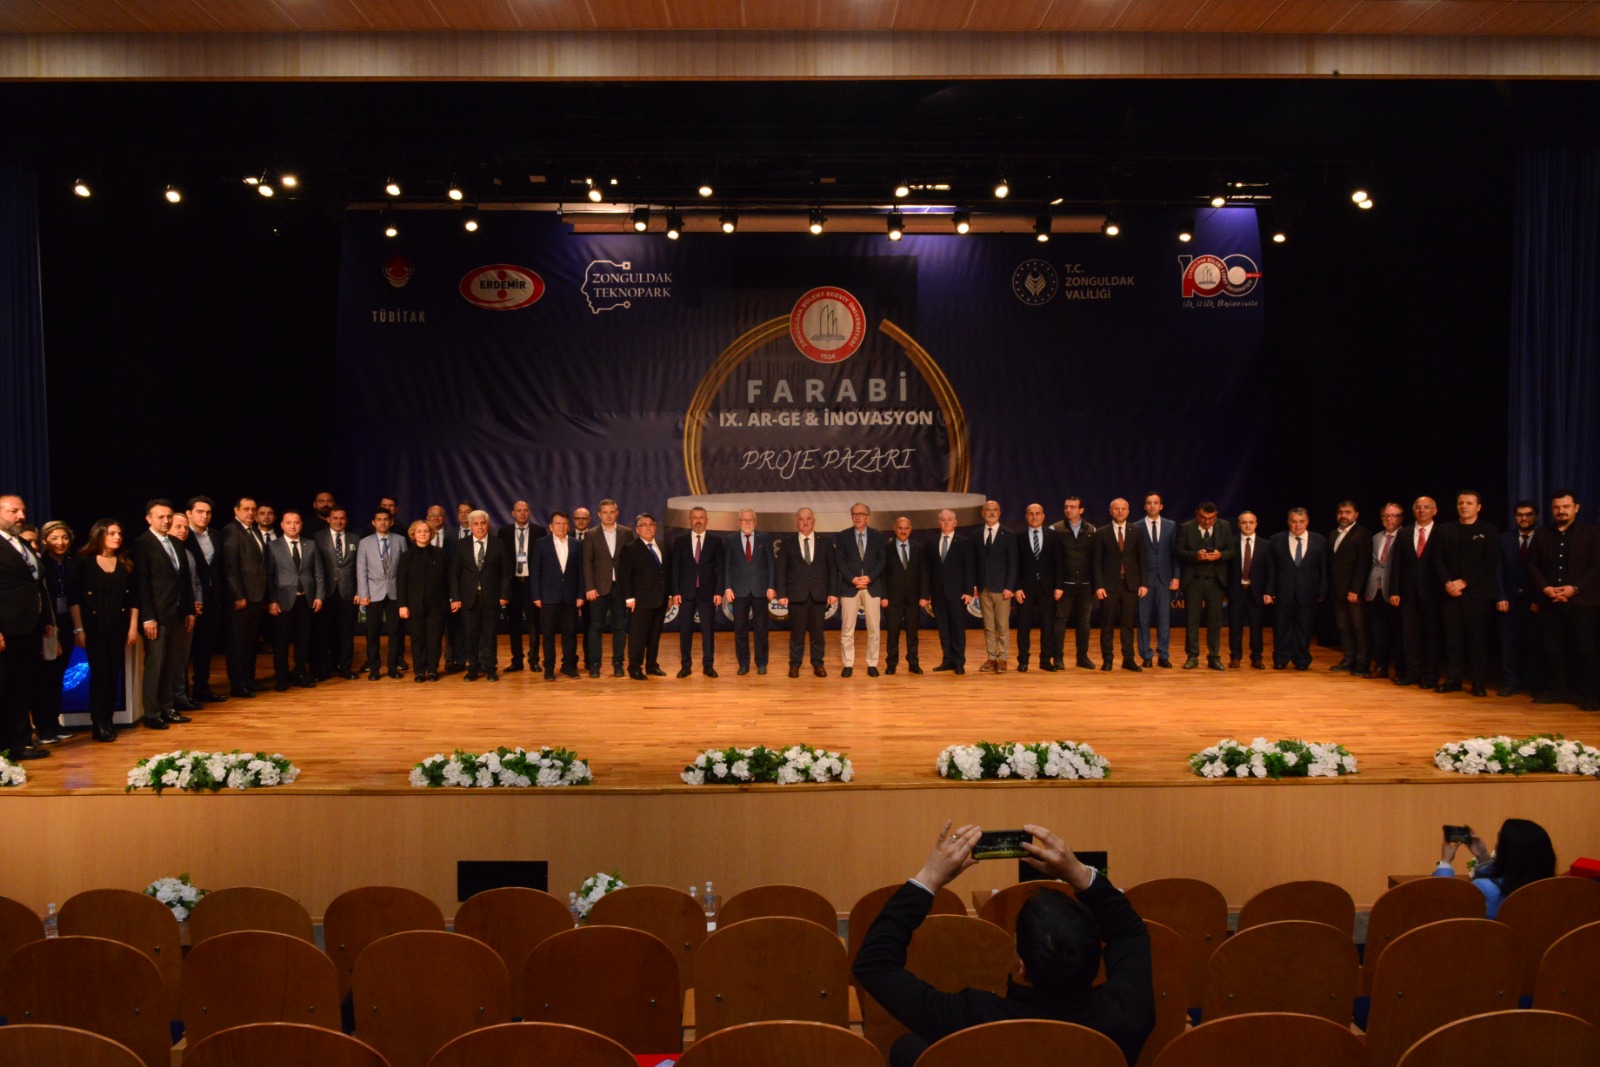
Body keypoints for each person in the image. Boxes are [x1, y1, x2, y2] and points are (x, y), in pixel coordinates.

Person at [853, 821, 1155, 1067]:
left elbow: (874, 964)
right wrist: (1078, 872)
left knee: (908, 1048)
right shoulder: (1128, 1015)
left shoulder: (974, 1019)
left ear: (1022, 966)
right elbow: (1129, 933)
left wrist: (929, 877)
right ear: (1096, 957)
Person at [1527, 489, 1600, 711]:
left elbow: (1596, 566)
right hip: (1550, 602)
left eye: (1566, 507)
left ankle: (1590, 695)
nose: (1561, 511)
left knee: (1585, 650)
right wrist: (1545, 588)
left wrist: (1574, 589)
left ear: (1576, 508)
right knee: (1552, 649)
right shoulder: (1542, 533)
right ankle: (1556, 691)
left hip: (1582, 602)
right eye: (1557, 507)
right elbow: (1532, 564)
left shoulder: (1592, 533)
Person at [69, 519, 138, 742]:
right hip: (94, 627)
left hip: (118, 627)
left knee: (113, 674)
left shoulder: (125, 563)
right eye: (111, 533)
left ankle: (109, 719)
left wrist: (132, 627)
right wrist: (79, 628)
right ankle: (98, 722)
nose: (117, 537)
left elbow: (134, 599)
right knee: (100, 674)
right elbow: (74, 599)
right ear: (99, 535)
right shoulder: (83, 563)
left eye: (119, 533)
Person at [130, 499, 196, 729]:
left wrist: (189, 610)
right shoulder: (141, 544)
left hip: (177, 613)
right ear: (148, 519)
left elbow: (184, 581)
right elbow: (142, 585)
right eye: (160, 517)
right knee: (155, 665)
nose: (166, 521)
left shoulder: (176, 543)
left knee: (170, 664)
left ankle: (167, 708)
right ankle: (152, 713)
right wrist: (148, 617)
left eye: (169, 516)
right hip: (156, 616)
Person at [1433, 491, 1506, 696]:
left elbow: (1490, 561)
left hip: (1478, 594)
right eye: (1461, 503)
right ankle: (1453, 679)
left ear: (1478, 507)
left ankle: (1477, 681)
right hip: (1451, 594)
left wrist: (1464, 582)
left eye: (1469, 503)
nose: (1464, 506)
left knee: (1478, 641)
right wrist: (1448, 583)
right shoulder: (1445, 529)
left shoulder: (1489, 530)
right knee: (1452, 640)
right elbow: (1438, 559)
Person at [1, 496, 56, 761]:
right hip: (7, 628)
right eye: (14, 511)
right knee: (4, 686)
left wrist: (45, 619)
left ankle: (20, 742)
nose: (21, 515)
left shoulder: (21, 543)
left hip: (29, 627)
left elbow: (35, 584)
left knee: (21, 686)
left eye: (23, 510)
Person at [1435, 818, 1556, 919]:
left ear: (1507, 851)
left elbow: (1446, 907)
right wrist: (1483, 857)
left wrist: (1445, 862)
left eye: (1499, 840)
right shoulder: (1551, 890)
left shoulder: (1484, 888)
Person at [264, 509, 326, 691]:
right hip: (282, 600)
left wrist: (319, 596)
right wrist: (272, 600)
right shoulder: (273, 546)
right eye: (289, 523)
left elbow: (318, 572)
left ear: (301, 525)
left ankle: (300, 673)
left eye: (296, 522)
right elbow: (269, 576)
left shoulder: (310, 544)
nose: (293, 526)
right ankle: (282, 677)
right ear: (282, 525)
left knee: (303, 640)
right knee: (281, 641)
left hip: (305, 599)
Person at [1263, 507, 1327, 671]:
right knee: (1281, 627)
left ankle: (1302, 659)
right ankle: (1281, 658)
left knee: (1304, 628)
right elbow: (1272, 569)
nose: (1297, 525)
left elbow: (1323, 569)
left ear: (1307, 522)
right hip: (1283, 591)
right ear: (1288, 522)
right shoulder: (1276, 540)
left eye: (1301, 521)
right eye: (1294, 521)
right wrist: (1269, 591)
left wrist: (1322, 591)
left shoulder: (1319, 540)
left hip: (1308, 593)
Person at [1388, 496, 1443, 689]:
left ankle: (1430, 676)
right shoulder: (1404, 533)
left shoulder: (1442, 532)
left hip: (1433, 595)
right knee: (1410, 636)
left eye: (1427, 507)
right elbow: (1396, 564)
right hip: (1408, 594)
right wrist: (1394, 590)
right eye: (1418, 507)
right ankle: (1412, 673)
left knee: (1431, 637)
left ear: (1435, 511)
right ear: (1413, 511)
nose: (1422, 510)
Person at [449, 509, 510, 682]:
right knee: (471, 635)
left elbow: (506, 573)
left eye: (483, 523)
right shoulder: (461, 545)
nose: (480, 527)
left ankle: (490, 669)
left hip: (492, 597)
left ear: (487, 524)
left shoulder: (499, 544)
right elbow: (454, 574)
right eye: (476, 524)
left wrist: (504, 594)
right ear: (470, 526)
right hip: (469, 598)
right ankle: (473, 669)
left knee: (490, 636)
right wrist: (456, 597)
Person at [776, 507, 837, 678]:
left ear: (814, 521)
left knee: (818, 634)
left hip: (819, 594)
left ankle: (818, 664)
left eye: (808, 518)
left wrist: (833, 592)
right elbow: (781, 570)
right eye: (801, 519)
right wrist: (781, 594)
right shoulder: (788, 542)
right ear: (796, 521)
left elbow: (832, 569)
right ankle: (795, 665)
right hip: (796, 595)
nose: (805, 522)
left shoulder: (825, 542)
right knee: (797, 634)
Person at [31, 520, 76, 743]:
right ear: (45, 541)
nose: (60, 542)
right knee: (44, 677)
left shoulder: (71, 564)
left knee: (58, 675)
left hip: (67, 623)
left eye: (64, 538)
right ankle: (43, 726)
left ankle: (54, 721)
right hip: (48, 625)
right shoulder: (41, 564)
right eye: (55, 538)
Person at [220, 496, 269, 698]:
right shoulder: (231, 531)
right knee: (237, 644)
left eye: (253, 509)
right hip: (241, 599)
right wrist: (238, 595)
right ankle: (237, 684)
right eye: (246, 509)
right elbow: (230, 568)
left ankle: (249, 680)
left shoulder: (254, 530)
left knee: (250, 643)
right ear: (236, 510)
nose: (250, 513)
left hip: (256, 597)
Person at [1176, 502, 1234, 671]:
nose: (1207, 522)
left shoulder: (1224, 526)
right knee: (1192, 620)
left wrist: (1220, 555)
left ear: (1216, 516)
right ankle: (1192, 656)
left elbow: (1232, 551)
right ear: (1197, 514)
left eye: (1211, 518)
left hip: (1215, 581)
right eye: (1203, 518)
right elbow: (1178, 551)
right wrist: (1196, 555)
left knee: (1215, 621)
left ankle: (1214, 656)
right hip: (1194, 581)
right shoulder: (1186, 527)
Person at [1092, 498, 1146, 672]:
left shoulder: (1136, 531)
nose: (1120, 512)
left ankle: (1128, 659)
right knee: (1107, 624)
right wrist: (1099, 586)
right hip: (1109, 586)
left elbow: (1142, 559)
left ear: (1128, 511)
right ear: (1111, 511)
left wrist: (1143, 583)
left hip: (1130, 585)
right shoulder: (1102, 532)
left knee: (1128, 625)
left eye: (1123, 509)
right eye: (1116, 509)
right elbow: (1096, 562)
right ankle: (1107, 659)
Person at [583, 499, 635, 678]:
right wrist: (590, 587)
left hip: (620, 588)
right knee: (595, 627)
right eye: (605, 512)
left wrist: (630, 589)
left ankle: (618, 664)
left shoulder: (626, 533)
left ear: (617, 513)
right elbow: (587, 562)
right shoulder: (591, 534)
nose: (609, 515)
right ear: (599, 514)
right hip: (598, 589)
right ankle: (594, 665)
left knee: (620, 628)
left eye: (612, 512)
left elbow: (630, 562)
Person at [182, 496, 227, 701]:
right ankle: (182, 692)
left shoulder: (216, 535)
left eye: (208, 512)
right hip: (190, 599)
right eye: (200, 512)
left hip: (213, 598)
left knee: (206, 647)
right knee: (185, 649)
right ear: (188, 513)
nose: (204, 516)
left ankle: (202, 687)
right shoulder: (182, 534)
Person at [532, 510, 585, 680]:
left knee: (570, 634)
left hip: (570, 597)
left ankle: (568, 666)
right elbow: (535, 571)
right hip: (548, 597)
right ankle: (549, 668)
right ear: (551, 526)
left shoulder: (576, 544)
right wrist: (536, 595)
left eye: (564, 523)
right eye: (558, 523)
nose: (561, 527)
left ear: (568, 526)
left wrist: (580, 595)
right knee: (548, 634)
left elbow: (581, 572)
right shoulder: (541, 544)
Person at [671, 505, 723, 678]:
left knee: (708, 631)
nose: (698, 521)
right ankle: (685, 666)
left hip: (708, 592)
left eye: (701, 517)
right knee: (685, 630)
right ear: (689, 520)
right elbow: (675, 568)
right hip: (686, 593)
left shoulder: (716, 540)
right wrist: (676, 591)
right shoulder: (680, 541)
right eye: (695, 518)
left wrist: (719, 592)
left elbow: (720, 568)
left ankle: (708, 665)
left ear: (707, 520)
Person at [721, 507, 774, 676]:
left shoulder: (764, 538)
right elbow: (727, 566)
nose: (747, 523)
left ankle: (761, 663)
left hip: (760, 591)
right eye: (744, 520)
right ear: (739, 522)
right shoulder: (731, 540)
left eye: (750, 520)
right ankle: (743, 664)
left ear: (755, 522)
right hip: (739, 592)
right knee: (740, 630)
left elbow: (771, 564)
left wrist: (771, 586)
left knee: (761, 630)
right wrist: (727, 587)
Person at [1498, 501, 1543, 697]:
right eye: (1519, 515)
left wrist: (1539, 600)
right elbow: (1497, 570)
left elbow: (1547, 571)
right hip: (1509, 600)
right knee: (1509, 644)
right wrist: (1501, 596)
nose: (1523, 518)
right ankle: (1511, 683)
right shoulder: (1503, 539)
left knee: (1535, 644)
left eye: (1528, 514)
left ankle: (1533, 684)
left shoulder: (1544, 537)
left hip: (1535, 601)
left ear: (1536, 516)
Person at [395, 519, 449, 682]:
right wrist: (402, 605)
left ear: (431, 533)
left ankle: (432, 670)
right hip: (414, 605)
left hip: (437, 605)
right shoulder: (407, 556)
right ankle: (419, 671)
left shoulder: (441, 554)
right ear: (413, 534)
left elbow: (448, 579)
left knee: (434, 638)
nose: (423, 534)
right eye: (419, 531)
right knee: (418, 639)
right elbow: (401, 582)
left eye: (426, 531)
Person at [617, 513, 669, 680]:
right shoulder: (630, 548)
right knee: (638, 636)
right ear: (637, 529)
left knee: (654, 635)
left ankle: (652, 665)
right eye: (644, 525)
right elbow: (624, 575)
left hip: (660, 599)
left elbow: (666, 573)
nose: (648, 528)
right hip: (639, 601)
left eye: (651, 524)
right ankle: (634, 667)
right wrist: (629, 598)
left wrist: (669, 595)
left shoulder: (662, 545)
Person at [356, 508, 406, 680]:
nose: (383, 522)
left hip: (394, 592)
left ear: (391, 522)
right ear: (373, 522)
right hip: (373, 593)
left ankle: (393, 667)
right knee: (372, 633)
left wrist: (404, 595)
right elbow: (361, 570)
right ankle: (374, 668)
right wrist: (363, 594)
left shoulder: (400, 540)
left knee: (395, 632)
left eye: (386, 519)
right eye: (379, 519)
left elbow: (404, 570)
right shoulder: (365, 542)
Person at [835, 502, 885, 678]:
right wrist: (853, 578)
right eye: (854, 514)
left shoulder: (877, 536)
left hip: (872, 586)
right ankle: (848, 664)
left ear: (867, 517)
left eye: (861, 514)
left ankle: (872, 663)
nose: (857, 517)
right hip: (850, 586)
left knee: (874, 629)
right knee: (847, 629)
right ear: (851, 517)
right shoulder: (843, 536)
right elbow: (840, 561)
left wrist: (869, 577)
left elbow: (881, 560)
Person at [924, 509, 976, 675]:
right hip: (937, 594)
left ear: (956, 522)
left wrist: (969, 591)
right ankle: (947, 660)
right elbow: (927, 570)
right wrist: (926, 593)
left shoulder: (964, 542)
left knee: (957, 628)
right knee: (943, 628)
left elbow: (969, 568)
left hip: (957, 594)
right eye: (943, 520)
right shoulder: (931, 542)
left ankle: (959, 662)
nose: (946, 523)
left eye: (949, 520)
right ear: (939, 522)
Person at [312, 505, 359, 679]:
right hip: (325, 593)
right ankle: (324, 669)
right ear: (328, 519)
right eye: (335, 518)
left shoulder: (355, 538)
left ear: (346, 520)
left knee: (346, 633)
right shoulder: (317, 538)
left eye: (342, 518)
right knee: (323, 633)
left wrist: (359, 591)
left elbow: (359, 567)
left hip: (348, 592)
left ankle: (345, 667)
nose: (339, 521)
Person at [1013, 504, 1062, 673]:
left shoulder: (1053, 536)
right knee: (1023, 626)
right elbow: (1014, 565)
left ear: (1043, 516)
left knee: (1048, 625)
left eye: (1037, 513)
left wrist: (1059, 586)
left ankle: (1045, 660)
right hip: (1025, 590)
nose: (1034, 517)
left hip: (1047, 588)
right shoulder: (1018, 537)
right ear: (1026, 516)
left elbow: (1058, 563)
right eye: (1031, 514)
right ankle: (1023, 660)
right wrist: (1017, 588)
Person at [500, 499, 547, 674]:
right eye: (519, 510)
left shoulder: (539, 531)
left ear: (530, 512)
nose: (522, 513)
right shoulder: (504, 532)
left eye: (525, 510)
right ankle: (517, 660)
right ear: (513, 513)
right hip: (513, 584)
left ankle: (534, 660)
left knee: (534, 624)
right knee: (514, 624)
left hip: (531, 583)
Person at [1051, 496, 1097, 670]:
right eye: (1066, 507)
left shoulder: (1091, 529)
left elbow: (1095, 558)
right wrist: (1056, 584)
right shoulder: (1055, 529)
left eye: (1072, 507)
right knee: (1060, 620)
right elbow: (1052, 561)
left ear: (1081, 510)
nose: (1068, 510)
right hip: (1064, 584)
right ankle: (1058, 658)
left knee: (1084, 621)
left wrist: (1096, 583)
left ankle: (1082, 657)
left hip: (1085, 584)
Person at [1136, 493, 1180, 668]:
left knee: (1164, 619)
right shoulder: (1136, 526)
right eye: (1149, 503)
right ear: (1145, 506)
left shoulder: (1171, 525)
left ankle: (1163, 655)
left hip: (1165, 579)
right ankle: (1146, 655)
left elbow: (1175, 553)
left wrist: (1176, 576)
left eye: (1155, 503)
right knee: (1143, 619)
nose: (1152, 506)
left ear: (1161, 506)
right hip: (1144, 580)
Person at [1327, 500, 1372, 673]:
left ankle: (1362, 662)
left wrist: (1355, 589)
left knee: (1359, 627)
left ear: (1356, 514)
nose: (1343, 515)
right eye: (1340, 512)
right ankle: (1348, 658)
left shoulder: (1363, 534)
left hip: (1353, 592)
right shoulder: (1334, 533)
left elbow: (1363, 564)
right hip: (1338, 590)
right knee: (1344, 627)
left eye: (1347, 512)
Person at [165, 512, 204, 713]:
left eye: (185, 528)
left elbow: (195, 582)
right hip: (170, 612)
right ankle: (171, 699)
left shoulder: (187, 553)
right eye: (178, 527)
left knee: (183, 657)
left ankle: (181, 696)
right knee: (170, 658)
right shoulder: (163, 552)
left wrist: (197, 602)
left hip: (188, 612)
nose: (182, 531)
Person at [1363, 503, 1405, 681]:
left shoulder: (1405, 536)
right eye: (1385, 516)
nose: (1389, 519)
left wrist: (1398, 590)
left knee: (1398, 632)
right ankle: (1381, 666)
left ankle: (1401, 669)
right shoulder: (1376, 537)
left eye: (1393, 515)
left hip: (1395, 592)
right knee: (1378, 631)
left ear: (1401, 518)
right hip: (1375, 591)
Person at [974, 499, 1017, 673]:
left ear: (999, 513)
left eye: (995, 510)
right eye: (988, 510)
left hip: (1002, 589)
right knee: (988, 626)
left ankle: (1003, 658)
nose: (991, 512)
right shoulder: (976, 534)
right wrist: (974, 585)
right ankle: (992, 658)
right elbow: (973, 562)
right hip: (983, 587)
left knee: (1002, 626)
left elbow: (1013, 563)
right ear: (983, 513)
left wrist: (1010, 587)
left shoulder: (1009, 535)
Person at [881, 516, 924, 675]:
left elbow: (924, 573)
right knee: (893, 633)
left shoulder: (919, 548)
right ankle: (891, 663)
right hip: (892, 599)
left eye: (906, 528)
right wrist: (883, 596)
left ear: (910, 529)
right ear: (895, 528)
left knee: (913, 634)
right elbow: (882, 574)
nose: (903, 531)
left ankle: (913, 663)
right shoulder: (886, 548)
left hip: (913, 598)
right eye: (900, 528)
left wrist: (924, 595)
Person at [1226, 510, 1269, 669]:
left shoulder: (1266, 545)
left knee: (1256, 627)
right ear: (1238, 524)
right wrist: (1226, 591)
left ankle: (1256, 657)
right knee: (1235, 626)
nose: (1248, 525)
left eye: (1251, 522)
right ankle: (1235, 657)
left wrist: (1269, 591)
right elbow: (1226, 570)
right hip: (1237, 591)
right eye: (1244, 522)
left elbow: (1270, 570)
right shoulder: (1231, 543)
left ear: (1256, 524)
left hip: (1256, 591)